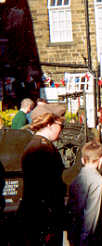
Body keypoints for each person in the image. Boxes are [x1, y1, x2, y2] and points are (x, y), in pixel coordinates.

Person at [20, 103, 66, 245]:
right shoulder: (42, 149)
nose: (61, 130)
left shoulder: (38, 145)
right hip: (43, 218)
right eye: (60, 126)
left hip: (40, 216)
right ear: (50, 124)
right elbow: (45, 190)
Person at [67, 140, 102, 246]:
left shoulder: (76, 178)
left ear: (82, 160)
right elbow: (92, 214)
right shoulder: (97, 181)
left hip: (74, 232)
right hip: (87, 238)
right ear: (101, 160)